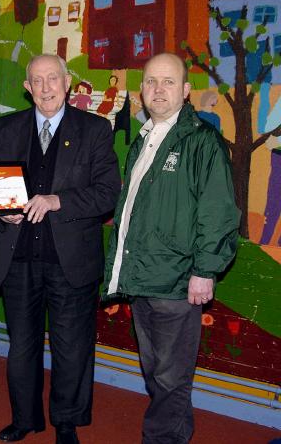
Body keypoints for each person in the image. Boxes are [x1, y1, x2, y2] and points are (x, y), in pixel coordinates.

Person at [102, 52, 240, 444]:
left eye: (167, 82)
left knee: (170, 377)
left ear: (185, 90)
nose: (157, 90)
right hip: (142, 277)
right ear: (141, 90)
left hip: (178, 282)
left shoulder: (201, 140)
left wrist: (205, 270)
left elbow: (218, 212)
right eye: (150, 82)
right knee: (158, 373)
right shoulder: (145, 139)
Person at [0, 54, 120, 444]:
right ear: (27, 88)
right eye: (37, 81)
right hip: (19, 260)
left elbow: (107, 192)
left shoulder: (96, 129)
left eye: (53, 79)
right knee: (21, 347)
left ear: (67, 83)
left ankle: (66, 422)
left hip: (72, 262)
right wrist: (3, 214)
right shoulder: (4, 128)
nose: (46, 88)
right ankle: (25, 418)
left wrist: (57, 200)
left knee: (72, 348)